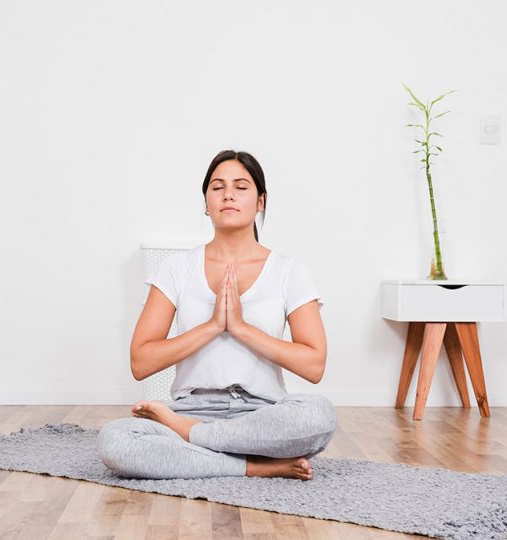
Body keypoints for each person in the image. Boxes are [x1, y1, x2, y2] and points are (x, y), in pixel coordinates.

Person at [97, 149, 336, 481]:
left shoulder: (288, 271)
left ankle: (193, 439)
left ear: (261, 202)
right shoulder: (177, 268)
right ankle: (252, 466)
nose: (228, 195)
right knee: (116, 441)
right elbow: (141, 361)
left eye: (241, 186)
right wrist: (211, 327)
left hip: (261, 416)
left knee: (318, 416)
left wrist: (240, 328)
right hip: (191, 408)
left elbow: (314, 366)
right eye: (217, 186)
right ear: (206, 202)